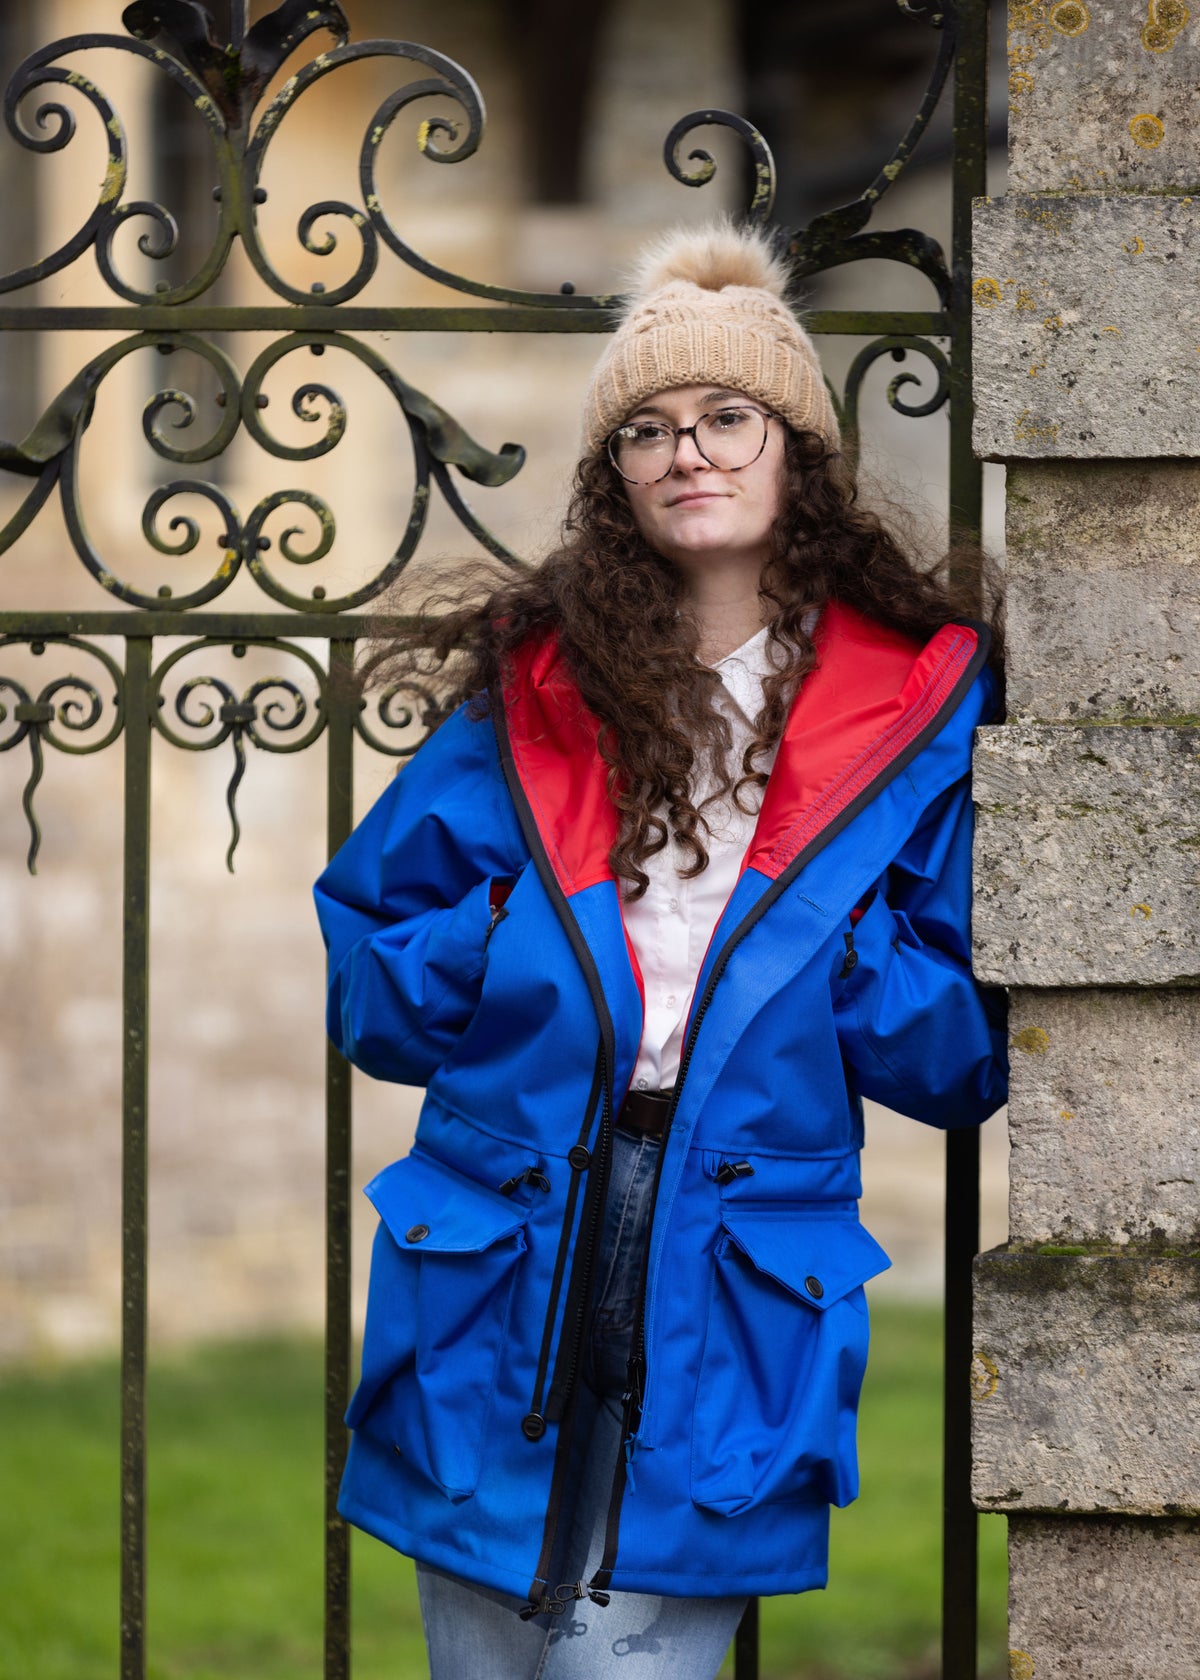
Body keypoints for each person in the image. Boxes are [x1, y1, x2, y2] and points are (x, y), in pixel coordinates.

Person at [314, 220, 1008, 1680]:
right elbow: (372, 986)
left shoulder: (916, 716)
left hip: (738, 1262)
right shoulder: (535, 688)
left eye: (727, 416)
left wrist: (828, 949)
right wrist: (509, 936)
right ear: (614, 475)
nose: (687, 451)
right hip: (499, 1233)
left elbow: (960, 1052)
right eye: (647, 429)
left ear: (795, 450)